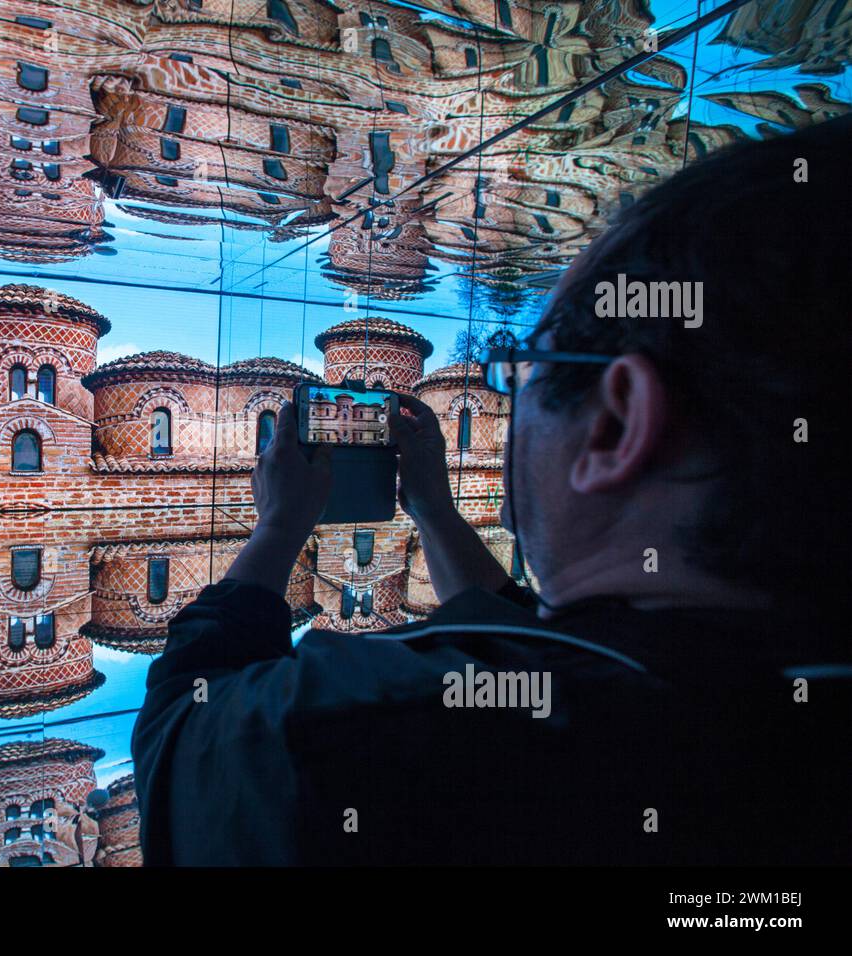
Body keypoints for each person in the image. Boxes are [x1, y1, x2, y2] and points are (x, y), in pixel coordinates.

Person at [131, 116, 851, 865]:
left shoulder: (394, 721)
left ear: (615, 424)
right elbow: (527, 632)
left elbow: (182, 740)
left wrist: (277, 529)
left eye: (529, 368)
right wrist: (434, 511)